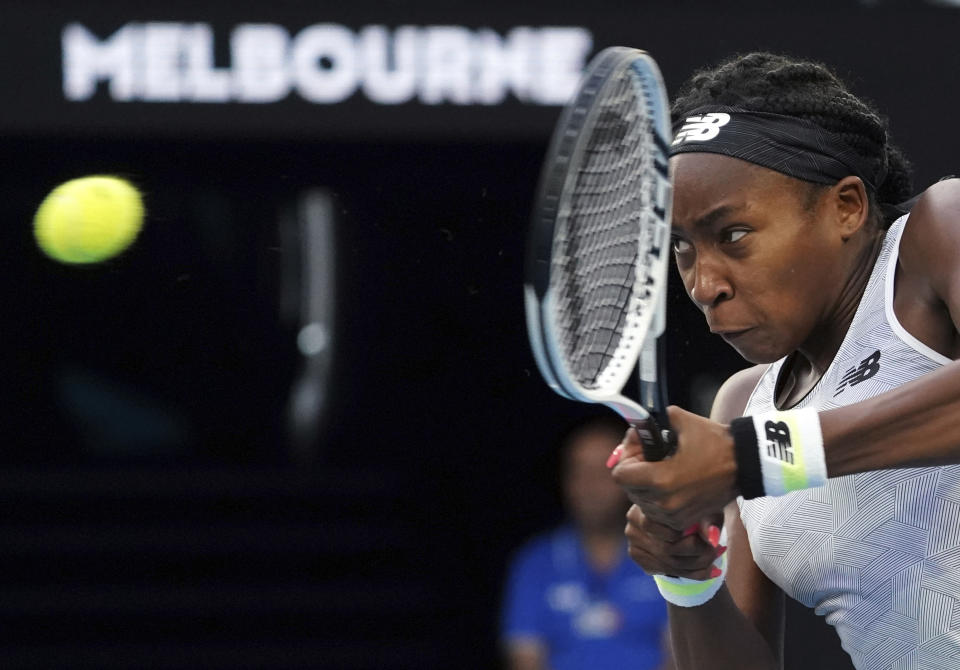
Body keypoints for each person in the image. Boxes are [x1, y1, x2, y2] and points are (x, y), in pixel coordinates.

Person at [605, 51, 960, 670]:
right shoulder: (743, 405)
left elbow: (762, 453)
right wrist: (686, 575)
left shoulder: (938, 231)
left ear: (846, 207)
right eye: (683, 248)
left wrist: (752, 456)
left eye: (733, 235)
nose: (702, 283)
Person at [501, 413, 673, 670]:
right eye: (578, 471)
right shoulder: (534, 563)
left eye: (602, 471)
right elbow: (524, 659)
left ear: (632, 478)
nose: (589, 485)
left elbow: (682, 655)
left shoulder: (668, 556)